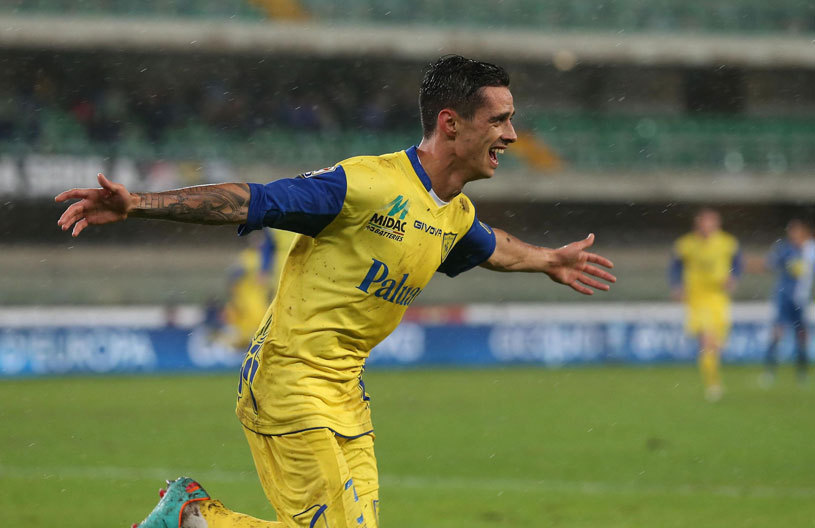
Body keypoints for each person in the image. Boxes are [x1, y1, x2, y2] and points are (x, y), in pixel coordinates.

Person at [56, 56, 616, 528]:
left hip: (346, 394)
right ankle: (191, 517)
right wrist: (140, 204)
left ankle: (192, 520)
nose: (512, 135)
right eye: (500, 120)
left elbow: (494, 247)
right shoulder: (367, 184)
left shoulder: (454, 215)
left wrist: (550, 260)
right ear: (451, 123)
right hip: (288, 381)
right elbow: (253, 200)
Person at [670, 208, 742, 402]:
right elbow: (675, 266)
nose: (707, 226)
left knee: (716, 343)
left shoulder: (727, 242)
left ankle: (713, 378)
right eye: (704, 222)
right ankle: (713, 384)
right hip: (697, 297)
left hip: (718, 297)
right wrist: (677, 286)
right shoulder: (685, 244)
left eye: (711, 222)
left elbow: (737, 263)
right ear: (698, 223)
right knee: (706, 340)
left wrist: (733, 277)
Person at [762, 219, 815, 386]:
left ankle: (802, 373)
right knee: (777, 333)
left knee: (802, 336)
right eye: (792, 231)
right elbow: (769, 264)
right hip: (784, 297)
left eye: (797, 232)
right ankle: (769, 372)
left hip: (801, 299)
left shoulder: (810, 250)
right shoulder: (784, 249)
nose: (794, 235)